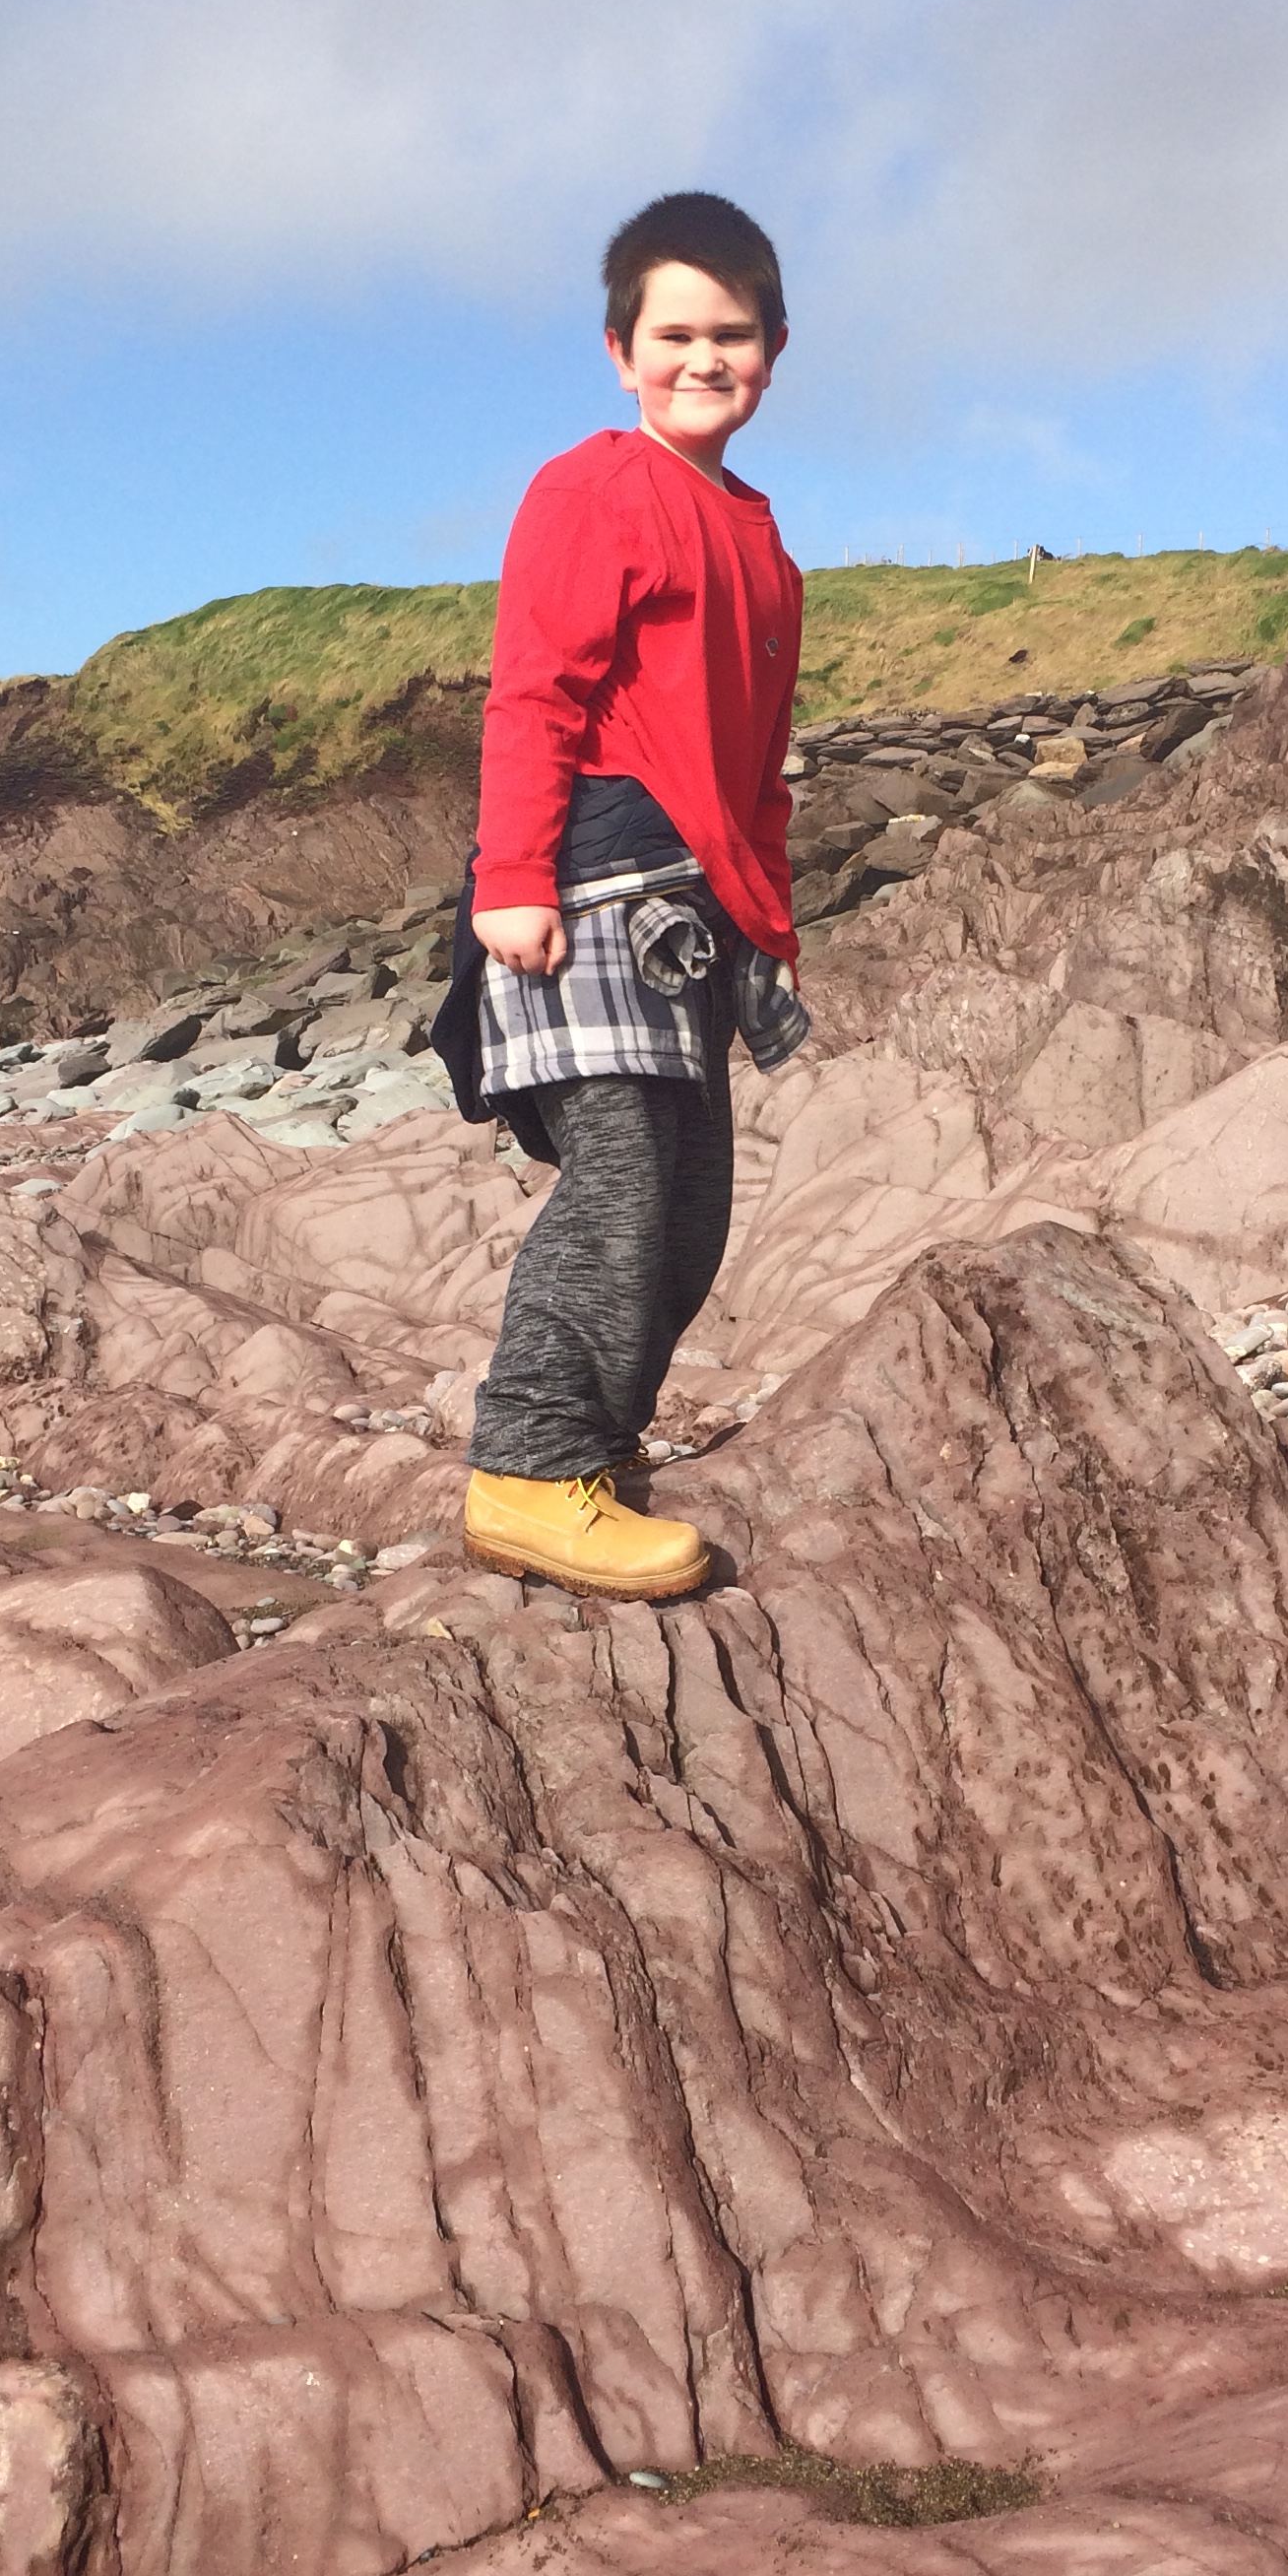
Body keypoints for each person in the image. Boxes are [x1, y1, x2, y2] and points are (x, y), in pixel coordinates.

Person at [431, 191, 808, 1601]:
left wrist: (768, 920)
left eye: (732, 334)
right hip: (587, 884)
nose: (704, 359)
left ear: (774, 346)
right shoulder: (593, 488)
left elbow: (754, 766)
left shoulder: (760, 541)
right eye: (675, 335)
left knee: (692, 1203)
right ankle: (528, 1470)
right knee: (623, 1181)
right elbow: (535, 691)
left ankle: (591, 1448)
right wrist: (512, 881)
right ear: (620, 350)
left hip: (691, 907)